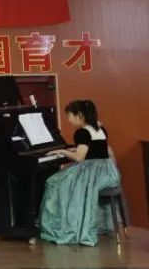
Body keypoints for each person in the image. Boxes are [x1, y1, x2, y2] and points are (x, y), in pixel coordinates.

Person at [39, 100, 122, 246]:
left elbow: (79, 157)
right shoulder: (100, 129)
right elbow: (96, 148)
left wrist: (63, 151)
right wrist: (73, 149)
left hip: (90, 172)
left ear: (79, 115)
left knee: (54, 182)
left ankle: (62, 225)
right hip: (106, 171)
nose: (69, 120)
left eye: (69, 116)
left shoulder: (82, 132)